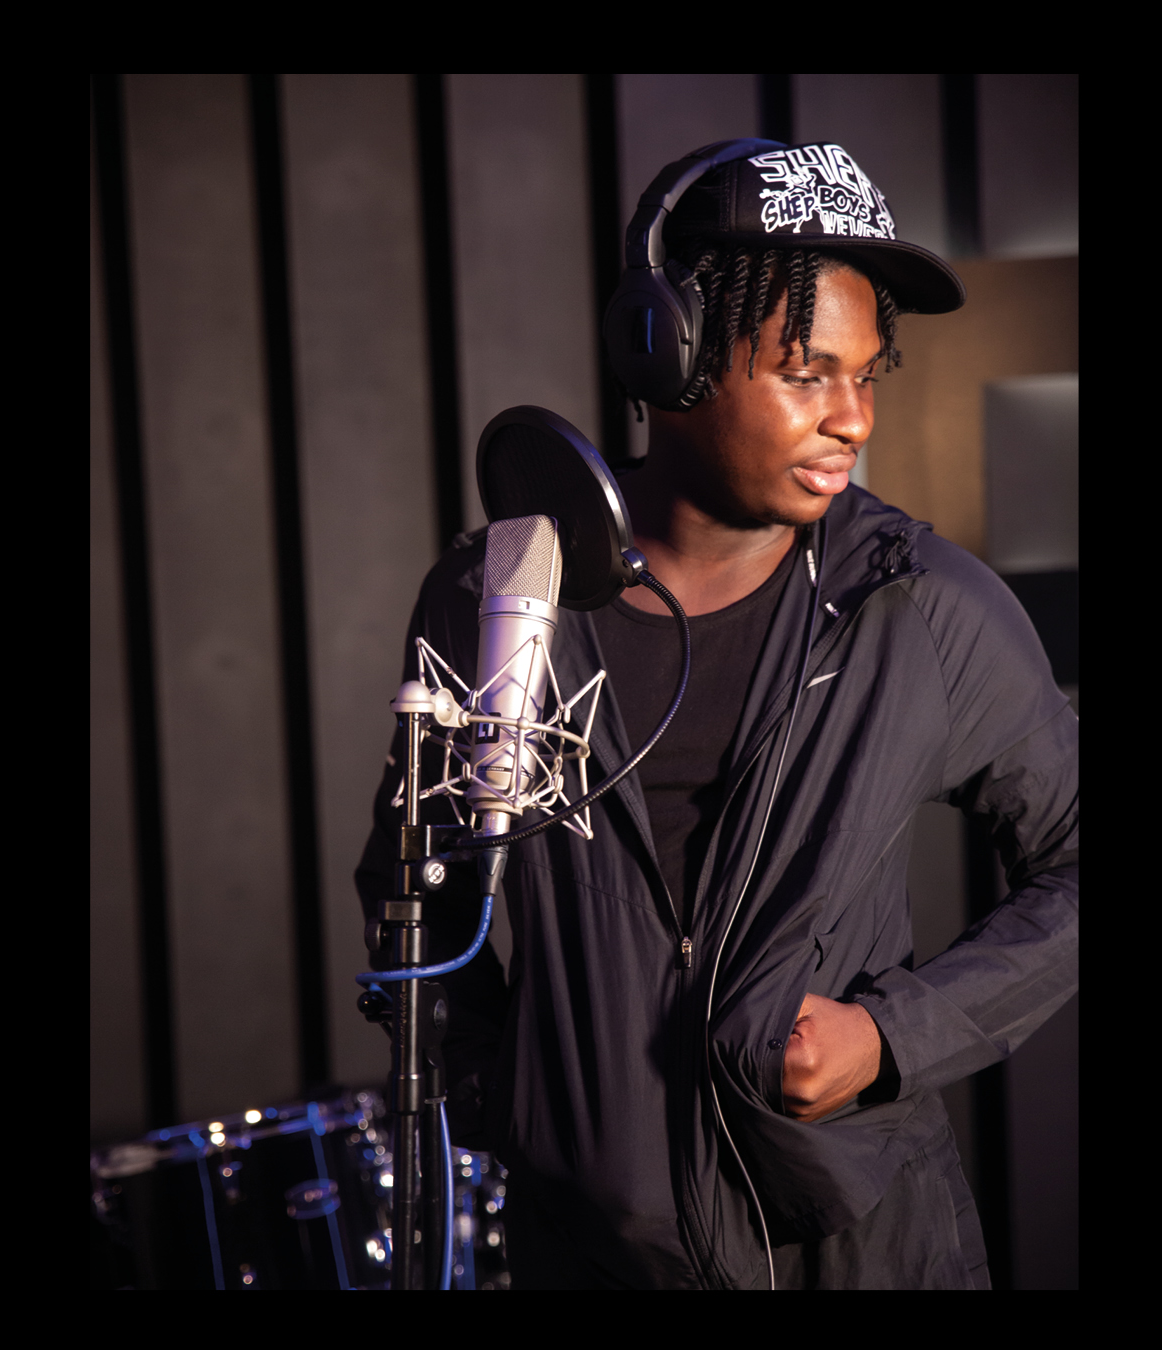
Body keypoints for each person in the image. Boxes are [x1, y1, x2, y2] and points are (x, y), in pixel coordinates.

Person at [353, 142, 1077, 1289]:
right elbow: (415, 886)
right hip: (589, 1260)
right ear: (670, 354)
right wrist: (513, 1096)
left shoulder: (917, 605)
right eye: (807, 372)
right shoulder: (498, 599)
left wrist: (893, 1036)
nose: (853, 419)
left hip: (864, 1250)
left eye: (867, 375)